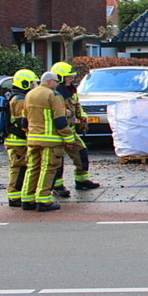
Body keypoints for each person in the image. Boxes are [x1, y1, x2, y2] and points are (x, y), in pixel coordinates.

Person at [20, 71, 75, 212]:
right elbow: (60, 120)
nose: (58, 84)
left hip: (32, 139)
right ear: (50, 82)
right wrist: (69, 138)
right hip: (50, 140)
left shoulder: (29, 94)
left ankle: (27, 199)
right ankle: (43, 200)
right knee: (48, 169)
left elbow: (23, 120)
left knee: (32, 168)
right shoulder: (54, 95)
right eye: (56, 81)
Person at [49, 61, 100, 196]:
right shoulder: (51, 93)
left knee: (81, 152)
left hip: (70, 130)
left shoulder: (71, 91)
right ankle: (57, 186)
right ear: (59, 77)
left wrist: (82, 115)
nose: (71, 79)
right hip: (56, 132)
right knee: (57, 159)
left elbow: (77, 106)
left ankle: (82, 181)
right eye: (68, 76)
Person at [4, 69, 39, 207]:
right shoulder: (19, 100)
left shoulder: (19, 97)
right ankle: (14, 197)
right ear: (24, 83)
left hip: (19, 140)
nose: (34, 86)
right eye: (32, 83)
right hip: (17, 141)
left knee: (23, 167)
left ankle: (19, 194)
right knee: (18, 168)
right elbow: (22, 123)